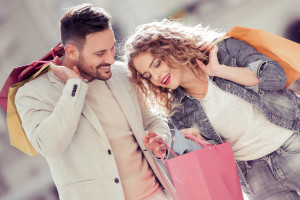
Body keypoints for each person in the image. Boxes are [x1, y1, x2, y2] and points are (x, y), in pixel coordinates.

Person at [15, 4, 178, 200]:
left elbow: (152, 121)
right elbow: (48, 145)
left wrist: (159, 139)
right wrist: (73, 89)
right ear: (72, 51)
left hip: (157, 195)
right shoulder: (33, 92)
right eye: (100, 53)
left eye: (111, 48)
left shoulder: (121, 73)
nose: (110, 58)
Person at [124, 19, 300, 200]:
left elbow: (276, 76)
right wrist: (199, 144)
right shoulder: (177, 109)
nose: (156, 76)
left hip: (291, 143)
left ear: (171, 48)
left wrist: (220, 71)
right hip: (255, 175)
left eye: (157, 64)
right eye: (148, 75)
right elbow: (214, 160)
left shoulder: (222, 51)